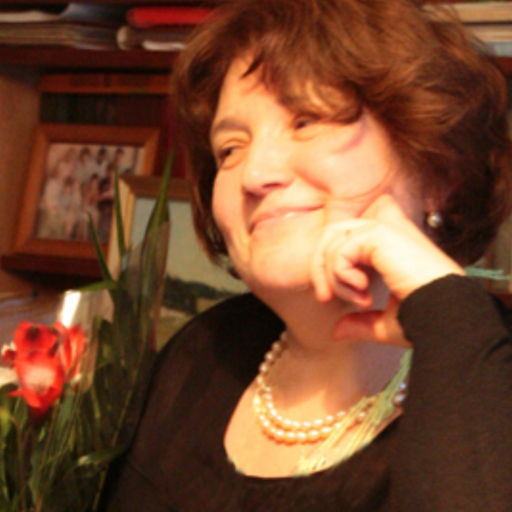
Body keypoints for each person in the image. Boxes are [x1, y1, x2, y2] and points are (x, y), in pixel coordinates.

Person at [101, 0, 512, 510]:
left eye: (306, 121)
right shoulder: (203, 352)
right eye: (231, 149)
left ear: (437, 172)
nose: (255, 174)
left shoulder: (488, 375)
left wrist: (447, 315)